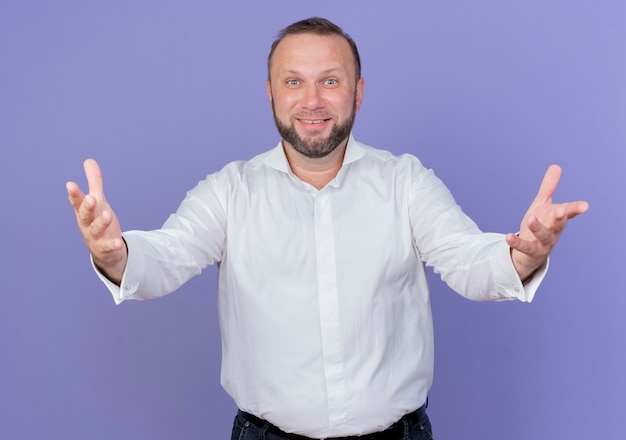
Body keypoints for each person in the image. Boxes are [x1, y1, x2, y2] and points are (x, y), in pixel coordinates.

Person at [66, 17, 588, 440]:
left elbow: (466, 260)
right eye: (294, 81)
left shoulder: (406, 182)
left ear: (357, 93)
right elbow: (169, 255)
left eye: (330, 81)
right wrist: (116, 255)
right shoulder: (229, 191)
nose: (311, 100)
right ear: (270, 92)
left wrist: (523, 256)